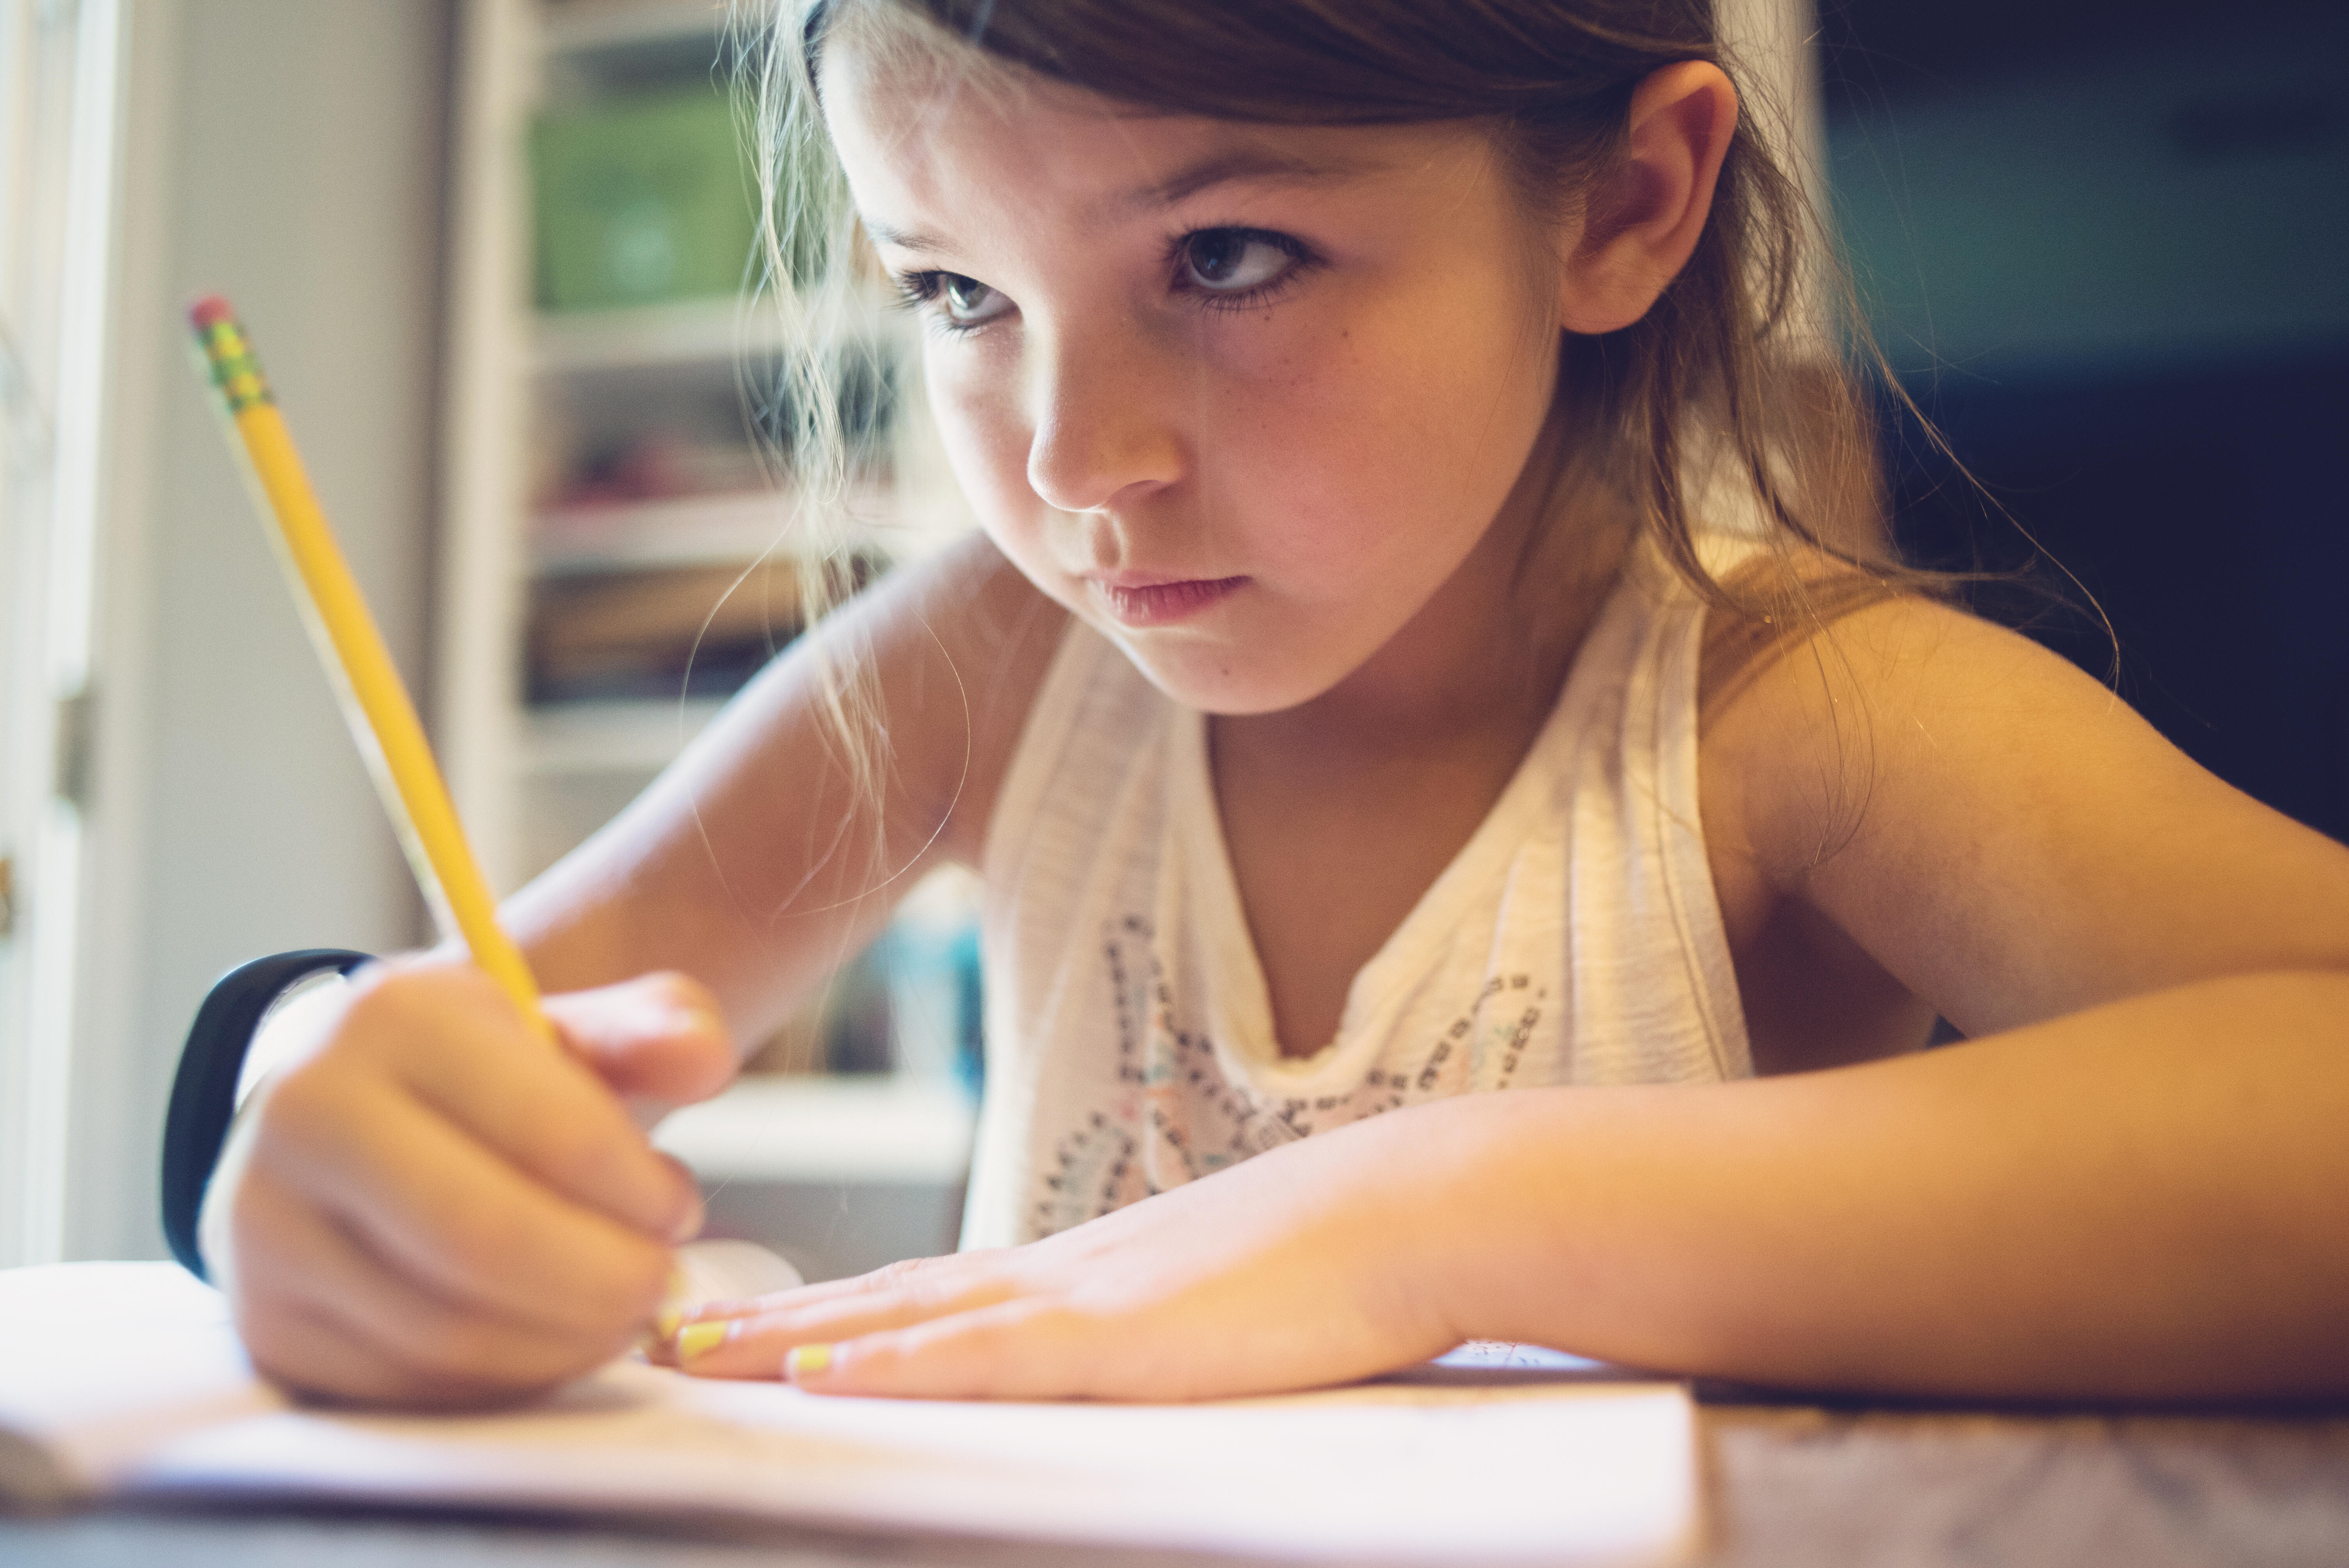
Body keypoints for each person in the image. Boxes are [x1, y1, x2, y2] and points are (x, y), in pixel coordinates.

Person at [205, 0, 2349, 1408]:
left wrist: (1439, 1215)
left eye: (1227, 257)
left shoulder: (1795, 720)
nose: (1072, 461)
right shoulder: (996, 654)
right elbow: (476, 1047)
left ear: (1625, 207)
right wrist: (314, 1114)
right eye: (959, 290)